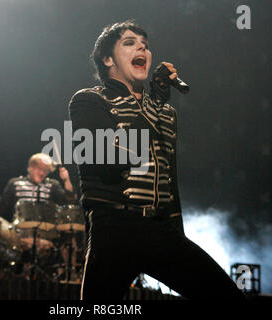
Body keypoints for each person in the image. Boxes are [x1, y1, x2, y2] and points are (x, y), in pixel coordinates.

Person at [68, 20, 246, 300]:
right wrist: (155, 103)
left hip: (161, 230)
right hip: (114, 229)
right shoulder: (89, 101)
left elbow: (168, 178)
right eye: (129, 42)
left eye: (145, 45)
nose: (141, 47)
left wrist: (178, 235)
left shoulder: (166, 112)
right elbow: (106, 158)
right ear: (107, 59)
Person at [0, 153, 78, 278]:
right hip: (18, 236)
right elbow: (2, 211)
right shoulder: (15, 183)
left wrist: (66, 180)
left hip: (47, 235)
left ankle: (69, 275)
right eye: (40, 169)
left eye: (45, 171)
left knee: (69, 235)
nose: (42, 173)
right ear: (30, 167)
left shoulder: (53, 185)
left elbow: (70, 201)